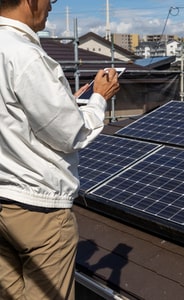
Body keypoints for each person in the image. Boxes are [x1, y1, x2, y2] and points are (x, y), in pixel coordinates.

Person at [0, 0, 120, 299]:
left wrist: (67, 100)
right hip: (38, 208)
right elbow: (71, 134)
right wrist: (99, 99)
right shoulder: (25, 54)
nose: (51, 6)